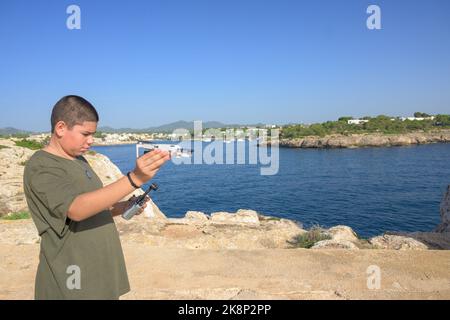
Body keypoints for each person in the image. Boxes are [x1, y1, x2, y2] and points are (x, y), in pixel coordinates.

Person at [23, 95, 170, 299]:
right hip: (72, 280)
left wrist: (125, 206)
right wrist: (135, 178)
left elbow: (95, 205)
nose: (91, 140)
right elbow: (76, 209)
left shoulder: (79, 160)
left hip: (99, 274)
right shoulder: (41, 166)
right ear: (61, 128)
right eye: (85, 134)